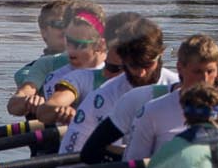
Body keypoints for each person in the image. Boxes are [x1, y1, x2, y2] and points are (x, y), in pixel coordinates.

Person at [81, 34, 218, 166]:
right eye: (197, 72)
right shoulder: (151, 112)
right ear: (180, 67)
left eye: (210, 72)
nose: (204, 79)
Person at [61, 17, 172, 156]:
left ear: (161, 54)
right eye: (134, 65)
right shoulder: (102, 98)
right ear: (123, 59)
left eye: (147, 64)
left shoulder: (176, 86)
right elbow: (74, 155)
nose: (141, 73)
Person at [25, 3, 108, 130]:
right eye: (69, 42)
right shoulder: (60, 74)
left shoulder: (121, 66)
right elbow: (44, 112)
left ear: (101, 45)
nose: (71, 50)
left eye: (79, 45)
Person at [6, 0, 73, 118]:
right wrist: (29, 100)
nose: (65, 29)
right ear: (44, 32)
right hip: (46, 131)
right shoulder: (28, 72)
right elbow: (15, 105)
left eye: (71, 23)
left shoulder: (97, 64)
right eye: (59, 24)